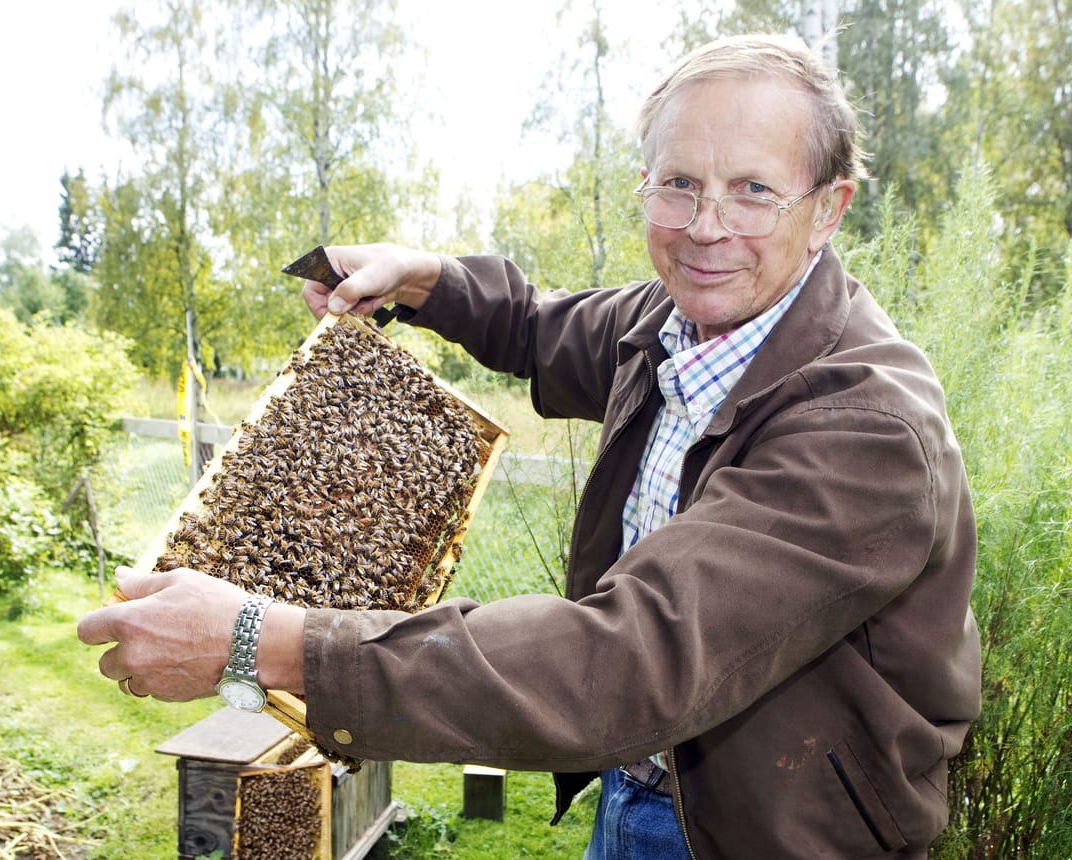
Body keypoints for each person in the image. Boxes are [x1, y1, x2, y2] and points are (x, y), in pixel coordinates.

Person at [78, 33, 981, 858]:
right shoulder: (672, 321)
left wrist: (264, 642)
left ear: (828, 209)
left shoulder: (866, 426)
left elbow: (629, 663)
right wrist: (421, 277)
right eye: (678, 184)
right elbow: (538, 326)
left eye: (753, 190)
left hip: (773, 835)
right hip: (639, 788)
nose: (706, 226)